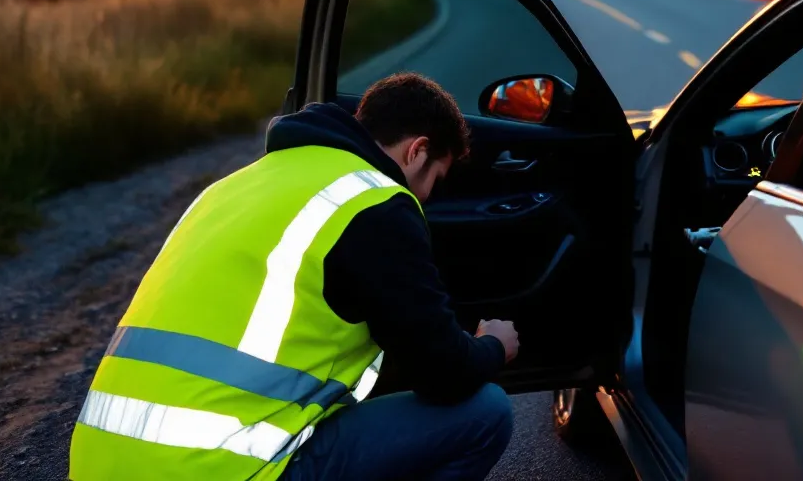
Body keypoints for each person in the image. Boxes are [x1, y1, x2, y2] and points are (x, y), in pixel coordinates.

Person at [69, 73, 520, 481]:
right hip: (223, 469)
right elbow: (442, 372)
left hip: (97, 462)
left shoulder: (230, 188)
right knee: (486, 413)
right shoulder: (378, 202)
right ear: (416, 150)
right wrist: (493, 346)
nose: (427, 197)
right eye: (434, 181)